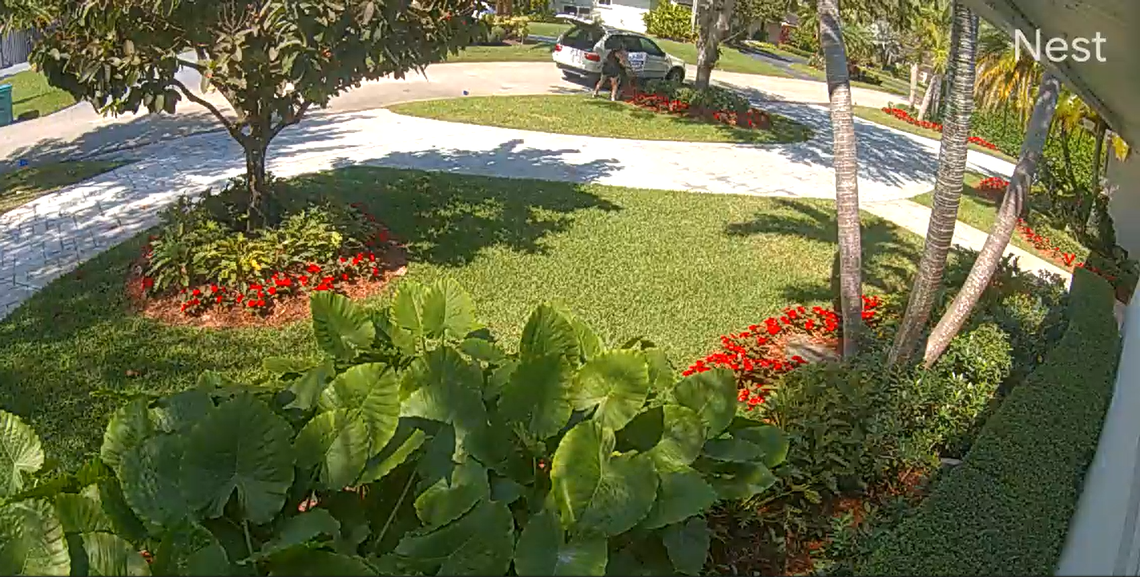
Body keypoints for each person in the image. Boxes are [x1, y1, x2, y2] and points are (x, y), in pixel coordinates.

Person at [594, 37, 631, 101]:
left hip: (606, 68)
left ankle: (595, 93)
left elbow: (605, 60)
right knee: (614, 84)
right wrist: (625, 66)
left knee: (601, 81)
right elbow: (621, 62)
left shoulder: (610, 52)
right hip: (613, 70)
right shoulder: (619, 54)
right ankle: (613, 97)